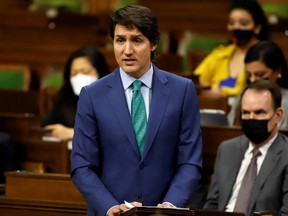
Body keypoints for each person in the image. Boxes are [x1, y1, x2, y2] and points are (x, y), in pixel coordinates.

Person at [70, 5, 202, 216]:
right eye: (120, 40)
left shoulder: (182, 90)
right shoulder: (92, 95)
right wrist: (110, 207)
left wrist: (171, 204)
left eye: (137, 40)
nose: (127, 50)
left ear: (154, 44)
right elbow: (82, 165)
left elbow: (190, 160)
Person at [204, 80, 288, 215]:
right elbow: (212, 203)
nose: (251, 118)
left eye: (259, 112)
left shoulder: (285, 155)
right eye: (246, 113)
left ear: (278, 115)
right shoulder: (227, 149)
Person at [194, 0, 269, 96]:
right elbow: (195, 81)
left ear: (257, 27)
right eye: (231, 23)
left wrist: (221, 92)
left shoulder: (264, 55)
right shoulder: (220, 53)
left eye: (243, 23)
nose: (236, 27)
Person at [41, 47, 110, 141]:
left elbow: (114, 136)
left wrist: (72, 133)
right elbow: (45, 126)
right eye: (74, 73)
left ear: (100, 72)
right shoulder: (65, 99)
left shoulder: (114, 99)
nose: (79, 77)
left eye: (85, 71)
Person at [228, 40, 288, 129]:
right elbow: (230, 128)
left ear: (278, 70)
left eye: (260, 75)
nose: (252, 80)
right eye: (249, 75)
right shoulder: (242, 95)